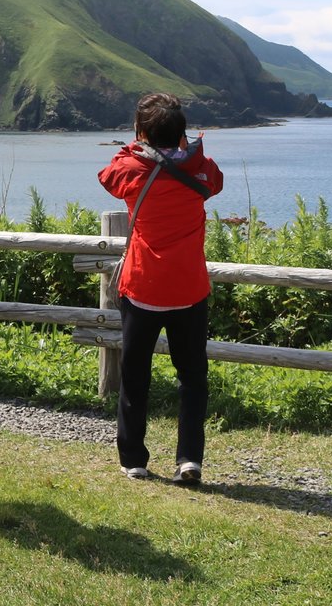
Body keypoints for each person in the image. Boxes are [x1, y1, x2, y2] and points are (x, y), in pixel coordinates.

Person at [98, 91, 222, 484]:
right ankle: (189, 459)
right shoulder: (200, 170)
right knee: (193, 378)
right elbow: (215, 180)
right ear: (181, 133)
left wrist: (133, 145)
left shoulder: (132, 171)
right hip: (188, 287)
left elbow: (108, 175)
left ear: (142, 132)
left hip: (144, 286)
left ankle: (134, 458)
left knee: (135, 375)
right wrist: (188, 151)